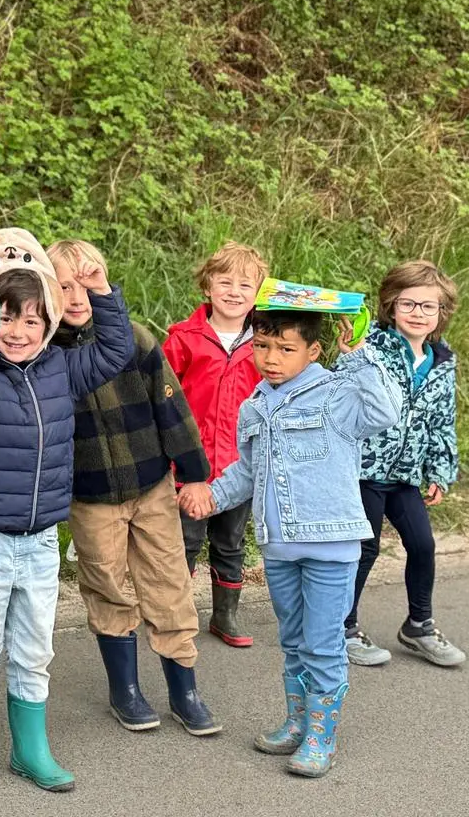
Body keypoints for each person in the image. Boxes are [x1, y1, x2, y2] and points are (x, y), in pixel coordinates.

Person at [0, 229, 135, 791]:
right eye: (6, 318)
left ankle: (31, 749)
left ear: (48, 322)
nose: (19, 331)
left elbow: (116, 350)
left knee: (33, 649)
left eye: (32, 320)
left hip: (42, 541)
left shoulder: (62, 368)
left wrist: (102, 293)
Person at [178, 308, 402, 777]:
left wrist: (358, 356)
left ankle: (322, 736)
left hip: (330, 545)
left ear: (313, 351)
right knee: (295, 641)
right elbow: (247, 472)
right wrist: (211, 496)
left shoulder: (337, 394)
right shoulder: (254, 406)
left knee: (323, 643)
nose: (271, 358)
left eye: (285, 348)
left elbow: (385, 412)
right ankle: (297, 721)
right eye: (261, 347)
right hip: (279, 546)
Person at [46, 239, 218, 737]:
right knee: (106, 583)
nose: (76, 298)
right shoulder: (44, 352)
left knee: (168, 582)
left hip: (151, 486)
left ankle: (185, 692)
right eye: (63, 287)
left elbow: (171, 408)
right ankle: (125, 690)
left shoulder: (135, 340)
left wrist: (194, 474)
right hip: (90, 495)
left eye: (87, 284)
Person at [343, 261, 467, 669]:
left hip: (405, 475)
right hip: (364, 470)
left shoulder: (442, 361)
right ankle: (342, 627)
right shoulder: (370, 346)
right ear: (391, 306)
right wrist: (352, 355)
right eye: (408, 303)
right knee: (365, 548)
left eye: (428, 306)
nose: (417, 313)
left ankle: (419, 625)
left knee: (423, 545)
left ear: (441, 313)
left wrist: (440, 471)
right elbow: (343, 391)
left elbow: (442, 421)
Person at [163, 241, 269, 647]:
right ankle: (175, 615)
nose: (234, 292)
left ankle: (225, 615)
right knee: (185, 542)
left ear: (258, 293)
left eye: (245, 285)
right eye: (225, 282)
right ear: (207, 286)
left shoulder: (265, 342)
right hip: (189, 466)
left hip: (239, 466)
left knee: (230, 542)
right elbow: (162, 398)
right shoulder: (184, 338)